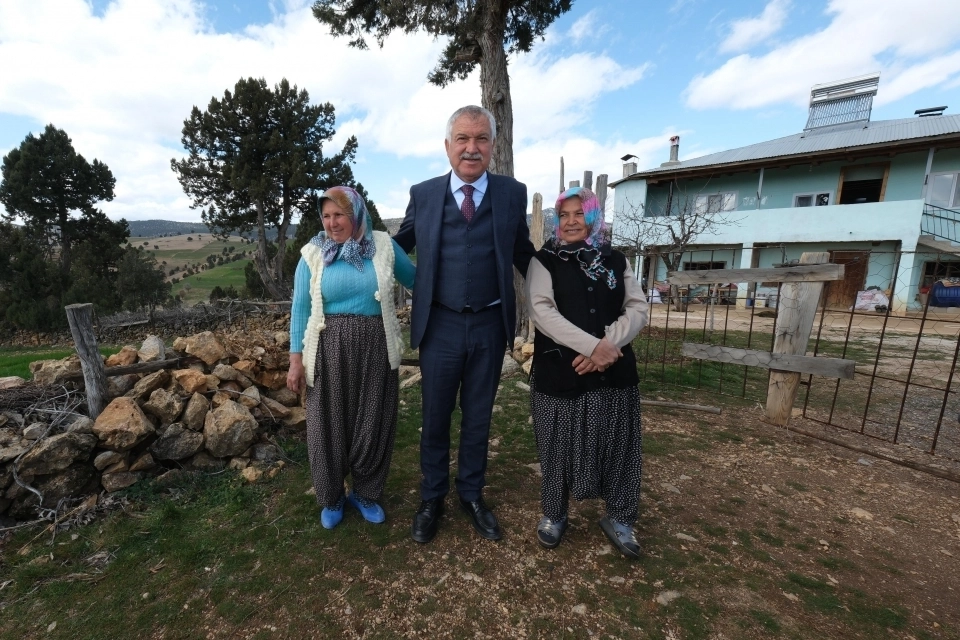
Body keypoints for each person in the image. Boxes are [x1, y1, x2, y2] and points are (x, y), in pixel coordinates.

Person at [394, 105, 536, 544]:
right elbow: (397, 246)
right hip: (439, 326)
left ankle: (471, 494)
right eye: (463, 139)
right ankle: (431, 497)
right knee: (435, 416)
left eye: (481, 139)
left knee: (478, 418)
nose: (471, 148)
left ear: (492, 145)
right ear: (447, 145)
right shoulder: (424, 194)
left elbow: (524, 253)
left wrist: (565, 282)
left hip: (490, 325)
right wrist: (353, 246)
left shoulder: (511, 193)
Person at [524, 186, 649, 558]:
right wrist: (593, 347)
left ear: (593, 216)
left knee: (620, 446)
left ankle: (620, 517)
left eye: (579, 213)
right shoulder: (544, 260)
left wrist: (607, 346)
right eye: (564, 215)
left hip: (613, 373)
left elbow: (637, 308)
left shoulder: (615, 259)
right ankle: (554, 514)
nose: (570, 222)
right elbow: (542, 312)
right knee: (556, 448)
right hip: (561, 373)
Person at [287, 186, 416, 529]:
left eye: (339, 215)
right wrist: (295, 360)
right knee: (325, 425)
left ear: (356, 214)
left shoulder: (383, 246)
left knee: (373, 421)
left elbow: (418, 281)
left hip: (376, 350)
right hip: (326, 352)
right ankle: (332, 498)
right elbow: (300, 309)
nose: (332, 223)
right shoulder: (313, 254)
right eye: (326, 216)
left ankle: (366, 493)